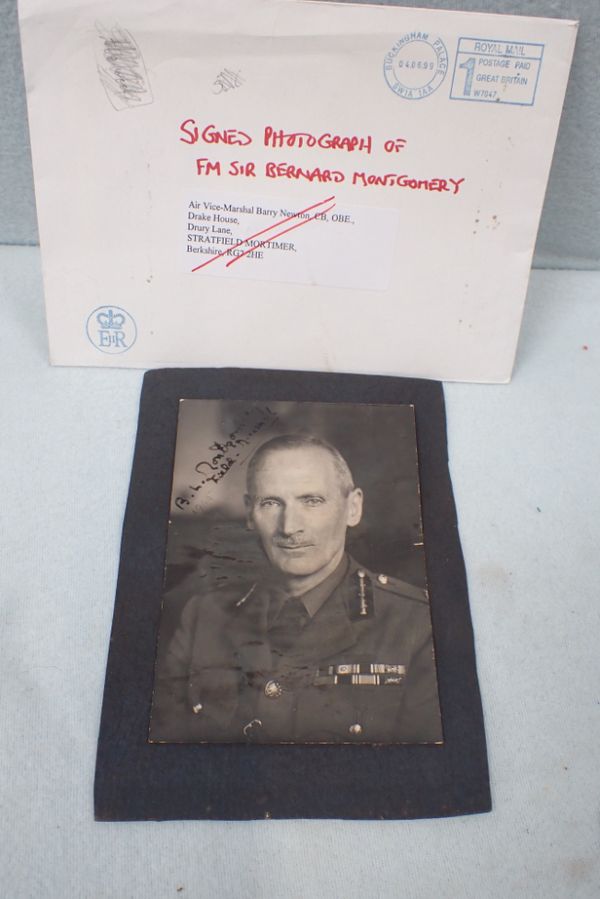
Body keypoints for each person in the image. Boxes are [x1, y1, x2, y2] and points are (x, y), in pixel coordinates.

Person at [149, 434, 442, 744]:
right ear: (250, 513)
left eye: (311, 501)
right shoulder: (203, 615)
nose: (289, 527)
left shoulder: (418, 624)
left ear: (353, 508)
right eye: (272, 503)